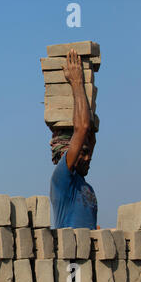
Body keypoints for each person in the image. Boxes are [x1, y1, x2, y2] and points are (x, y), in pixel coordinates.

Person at [50, 49, 97, 230]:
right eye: (83, 152)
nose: (89, 157)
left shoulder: (86, 187)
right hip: (72, 258)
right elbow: (82, 128)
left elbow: (89, 132)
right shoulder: (62, 180)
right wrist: (77, 82)